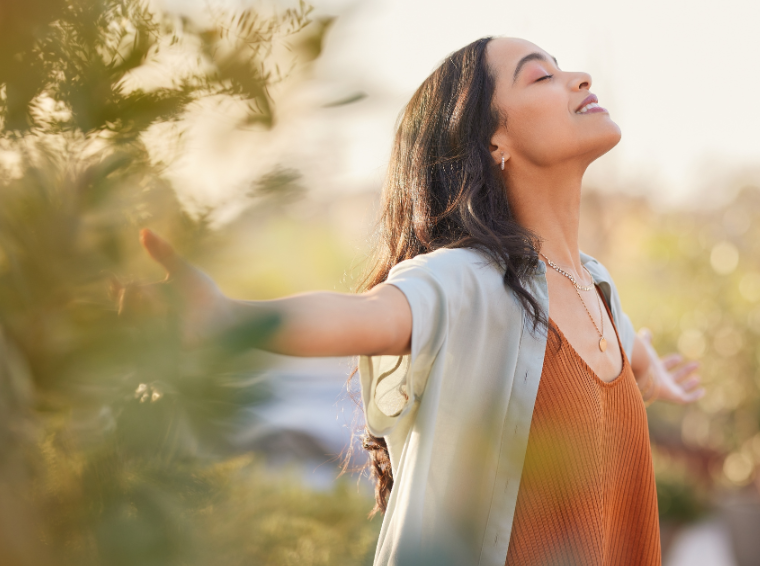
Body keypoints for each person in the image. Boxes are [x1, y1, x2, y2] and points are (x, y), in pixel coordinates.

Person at [138, 37, 704, 566]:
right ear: (493, 143)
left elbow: (621, 352)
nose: (579, 79)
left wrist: (649, 373)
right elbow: (366, 316)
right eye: (541, 77)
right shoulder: (470, 281)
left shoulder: (597, 290)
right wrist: (228, 319)